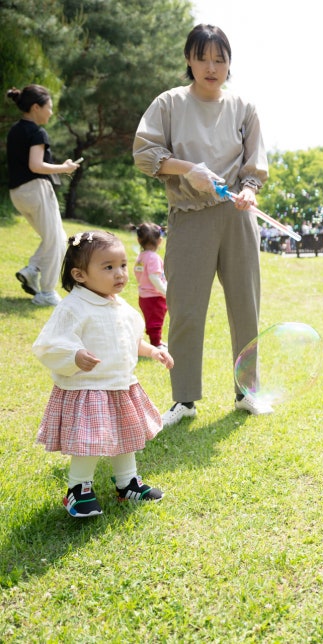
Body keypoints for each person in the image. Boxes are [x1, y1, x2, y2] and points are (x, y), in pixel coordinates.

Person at [132, 24, 269, 427]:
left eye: (220, 59)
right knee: (187, 309)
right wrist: (187, 169)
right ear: (189, 60)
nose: (211, 67)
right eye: (203, 57)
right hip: (189, 218)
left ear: (229, 64)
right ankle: (184, 399)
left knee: (246, 306)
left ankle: (248, 391)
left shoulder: (244, 107)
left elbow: (254, 166)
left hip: (238, 217)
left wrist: (250, 190)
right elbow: (145, 153)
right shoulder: (169, 104)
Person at [32, 230, 173, 517]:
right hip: (88, 388)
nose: (120, 273)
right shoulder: (73, 307)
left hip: (120, 385)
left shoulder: (120, 305)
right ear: (80, 275)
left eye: (122, 265)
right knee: (89, 442)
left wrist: (152, 350)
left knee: (126, 436)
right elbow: (48, 343)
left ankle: (128, 483)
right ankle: (78, 489)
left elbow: (128, 339)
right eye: (108, 267)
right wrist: (74, 355)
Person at [6, 85, 80, 307]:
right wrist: (65, 168)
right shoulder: (38, 132)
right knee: (57, 240)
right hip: (36, 189)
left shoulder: (15, 130)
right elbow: (36, 165)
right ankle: (46, 293)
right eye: (48, 107)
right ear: (36, 107)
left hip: (18, 193)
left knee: (54, 237)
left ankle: (32, 270)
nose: (50, 112)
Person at [133, 222, 168, 348]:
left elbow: (138, 273)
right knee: (155, 321)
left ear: (139, 240)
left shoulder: (141, 256)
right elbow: (154, 277)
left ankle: (157, 341)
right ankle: (156, 344)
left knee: (152, 320)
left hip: (144, 296)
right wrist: (165, 291)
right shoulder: (153, 257)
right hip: (154, 296)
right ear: (160, 241)